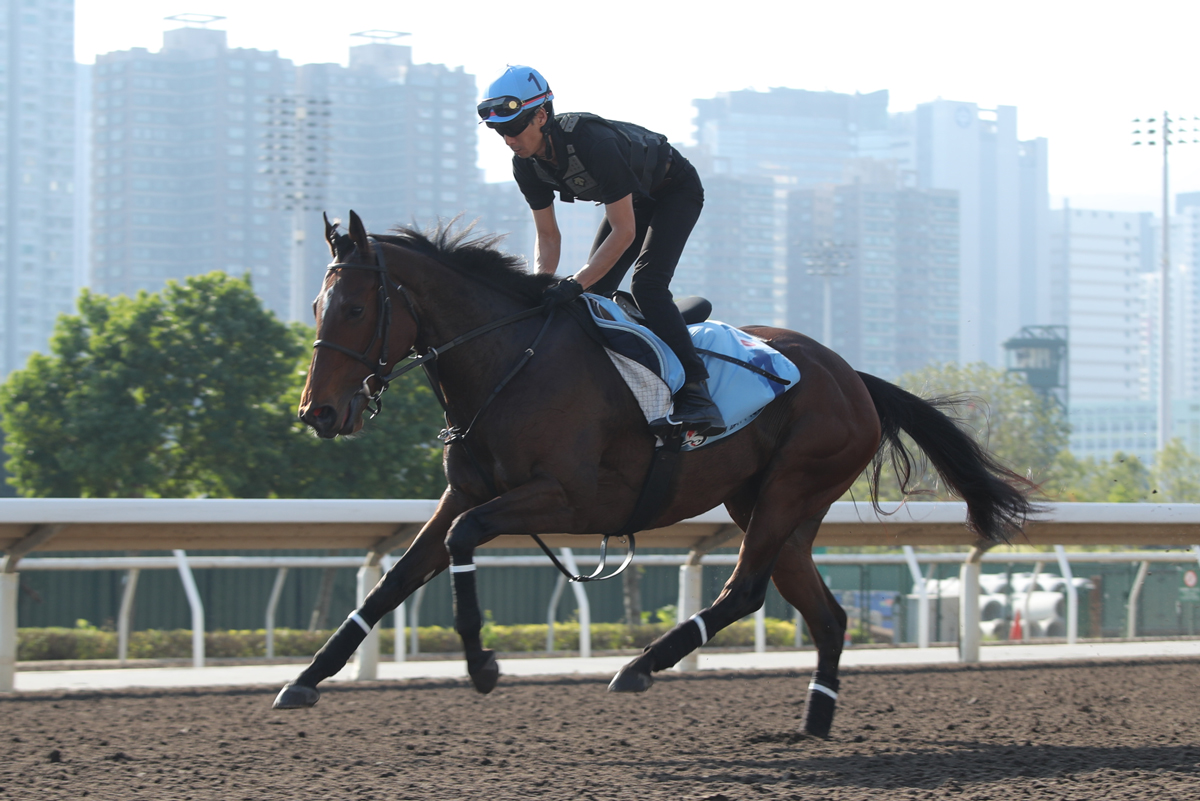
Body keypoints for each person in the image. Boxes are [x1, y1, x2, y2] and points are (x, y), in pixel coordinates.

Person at [477, 66, 725, 436]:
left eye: (513, 128)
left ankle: (697, 394)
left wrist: (573, 283)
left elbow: (624, 232)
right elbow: (548, 237)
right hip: (633, 199)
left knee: (648, 285)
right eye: (499, 131)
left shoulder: (594, 143)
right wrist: (539, 287)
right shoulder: (524, 165)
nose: (508, 139)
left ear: (541, 116)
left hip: (675, 190)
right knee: (591, 296)